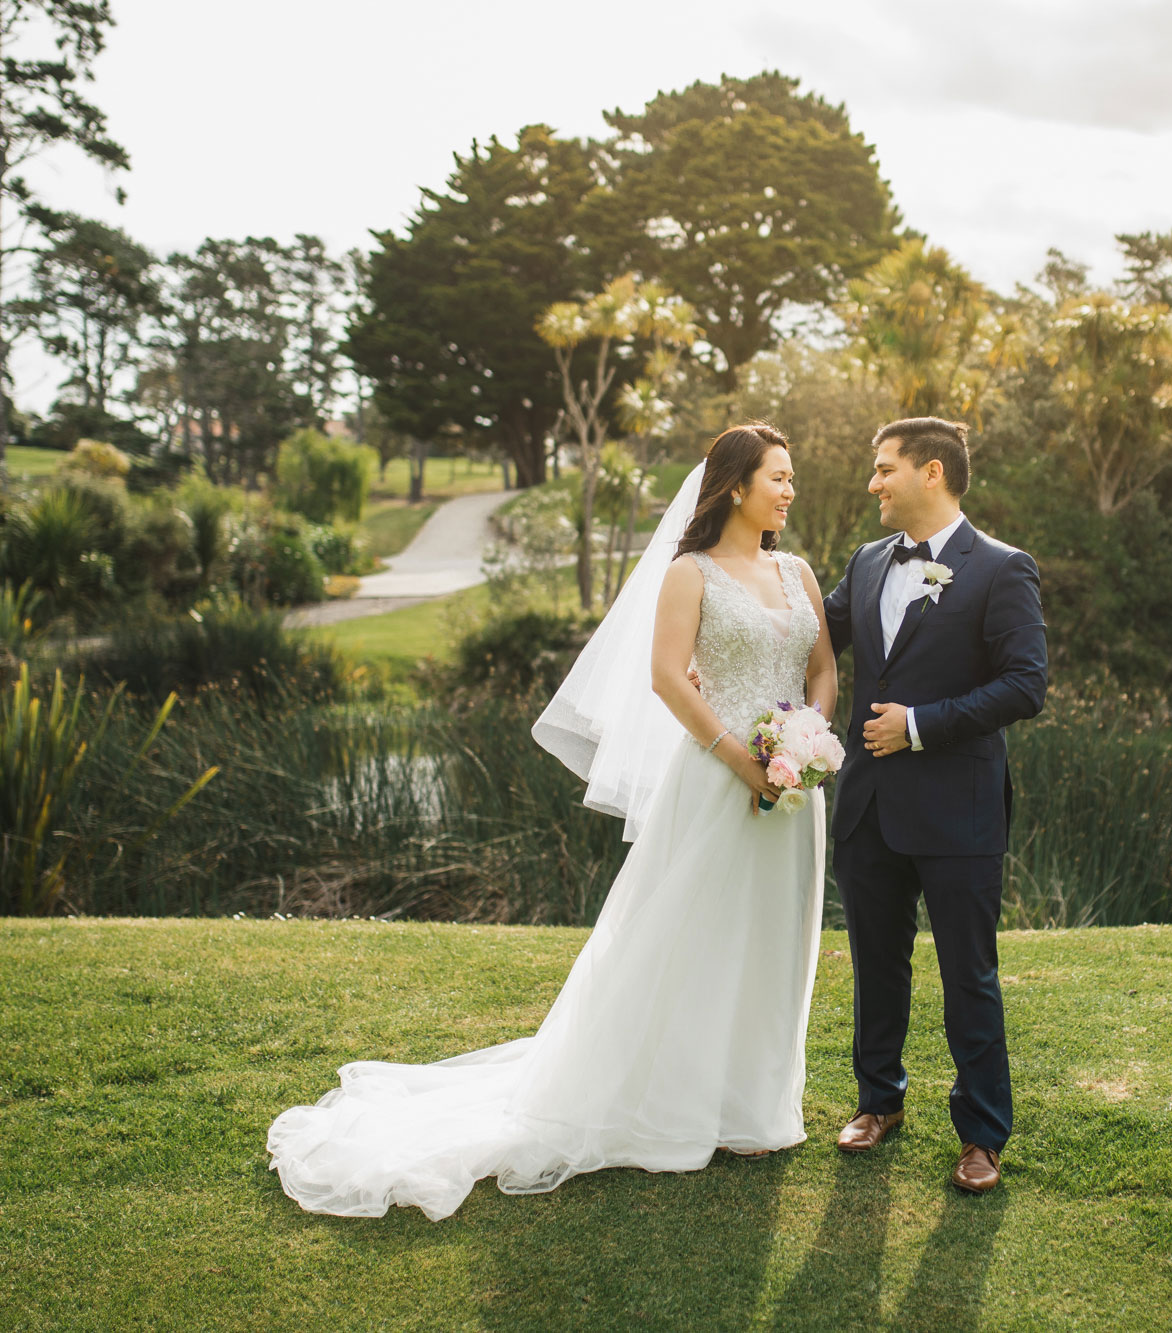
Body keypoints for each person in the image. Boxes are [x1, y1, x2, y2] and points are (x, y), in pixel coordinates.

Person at [265, 423, 840, 1219]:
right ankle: (682, 1105)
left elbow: (822, 669)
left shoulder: (799, 571)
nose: (789, 488)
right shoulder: (691, 573)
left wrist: (806, 744)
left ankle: (756, 1108)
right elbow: (668, 679)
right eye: (777, 476)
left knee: (775, 939)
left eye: (790, 476)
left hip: (794, 793)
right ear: (737, 486)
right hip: (718, 780)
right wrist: (744, 760)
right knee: (695, 937)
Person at [821, 416, 1048, 1195]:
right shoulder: (865, 560)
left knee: (968, 976)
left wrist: (918, 726)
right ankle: (878, 1101)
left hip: (959, 813)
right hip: (869, 810)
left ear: (932, 473)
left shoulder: (1002, 569)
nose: (874, 483)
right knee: (876, 966)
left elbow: (1026, 684)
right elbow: (813, 632)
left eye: (885, 469)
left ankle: (982, 1131)